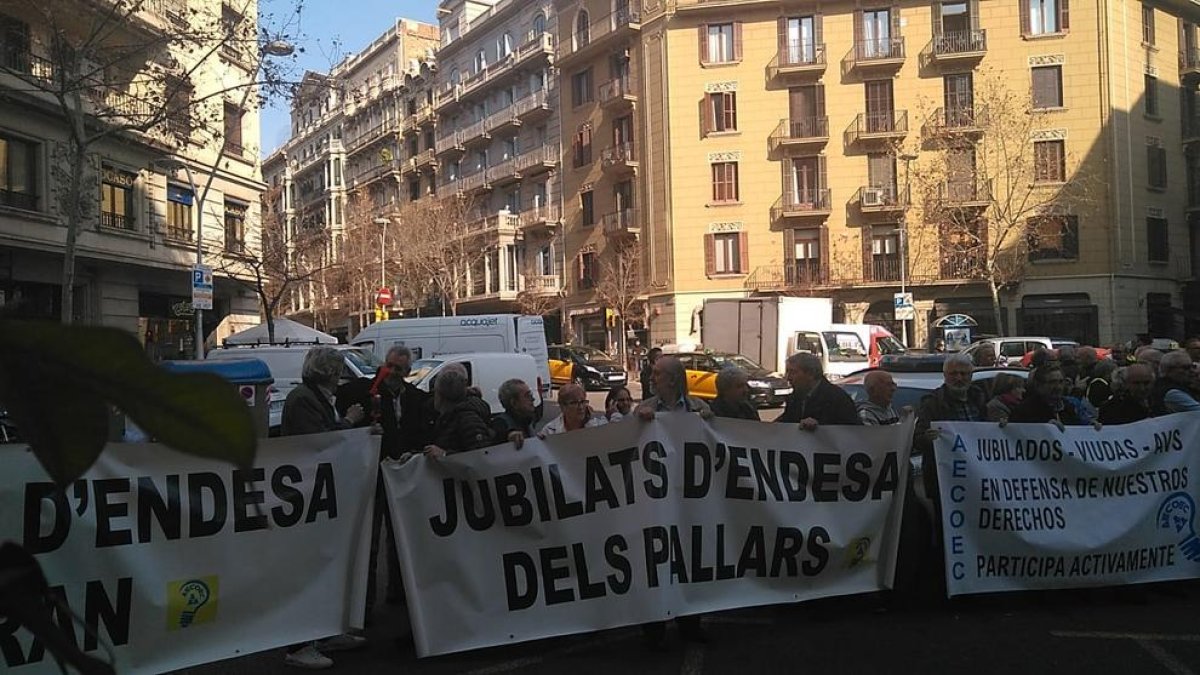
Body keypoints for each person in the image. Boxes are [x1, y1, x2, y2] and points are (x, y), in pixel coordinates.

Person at [280, 347, 367, 669]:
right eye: (338, 371)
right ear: (328, 372)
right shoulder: (304, 399)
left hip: (320, 492)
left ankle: (324, 631)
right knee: (307, 568)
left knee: (323, 565)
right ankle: (299, 644)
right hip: (307, 494)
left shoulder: (311, 396)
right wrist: (349, 422)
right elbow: (319, 443)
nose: (341, 377)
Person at [367, 346, 429, 616]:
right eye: (389, 366)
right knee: (369, 541)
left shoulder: (416, 398)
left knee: (401, 536)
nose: (392, 372)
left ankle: (399, 593)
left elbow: (424, 429)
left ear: (407, 372)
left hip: (404, 474)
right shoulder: (368, 392)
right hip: (373, 476)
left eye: (399, 369)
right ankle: (365, 601)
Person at [281, 347, 366, 436]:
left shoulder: (320, 394)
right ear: (332, 373)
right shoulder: (303, 398)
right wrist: (349, 420)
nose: (340, 377)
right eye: (340, 371)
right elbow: (320, 440)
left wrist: (368, 433)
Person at [776, 352, 860, 430]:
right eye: (787, 372)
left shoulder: (837, 398)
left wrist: (820, 428)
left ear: (810, 374)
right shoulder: (794, 398)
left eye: (793, 372)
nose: (788, 377)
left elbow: (853, 432)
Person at [424, 364, 494, 457]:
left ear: (441, 395)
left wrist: (445, 454)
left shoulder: (467, 418)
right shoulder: (447, 416)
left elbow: (482, 455)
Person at [635, 356, 714, 420]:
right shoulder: (642, 408)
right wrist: (639, 422)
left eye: (657, 374)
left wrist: (709, 421)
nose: (651, 378)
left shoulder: (700, 407)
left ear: (672, 380)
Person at [1006, 364, 1083, 428]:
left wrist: (1091, 428)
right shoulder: (1024, 411)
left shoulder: (1069, 408)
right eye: (1052, 382)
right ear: (1039, 385)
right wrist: (1044, 427)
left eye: (1061, 382)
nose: (1058, 387)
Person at [541, 383, 607, 435]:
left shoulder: (598, 426)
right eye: (574, 403)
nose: (581, 407)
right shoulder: (550, 431)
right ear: (563, 406)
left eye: (583, 402)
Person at [491, 378, 538, 447]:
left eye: (531, 394)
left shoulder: (526, 421)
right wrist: (508, 437)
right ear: (514, 403)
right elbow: (498, 437)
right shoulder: (501, 423)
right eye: (527, 395)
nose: (533, 399)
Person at [1150, 350, 1200, 415]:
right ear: (1169, 370)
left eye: (1193, 367)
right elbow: (1197, 410)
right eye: (1186, 368)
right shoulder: (1172, 393)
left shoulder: (1184, 386)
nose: (1192, 371)